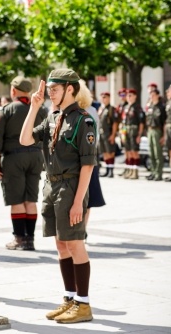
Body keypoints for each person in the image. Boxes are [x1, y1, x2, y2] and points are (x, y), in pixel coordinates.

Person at [20, 68, 96, 324]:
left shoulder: (83, 120)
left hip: (70, 187)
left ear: (70, 89)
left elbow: (88, 165)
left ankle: (83, 304)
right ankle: (70, 298)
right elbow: (25, 139)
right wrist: (34, 107)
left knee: (75, 244)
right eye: (49, 88)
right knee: (61, 245)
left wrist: (78, 202)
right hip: (51, 186)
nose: (50, 92)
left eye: (54, 88)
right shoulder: (52, 117)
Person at [0, 76, 47, 251]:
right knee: (31, 200)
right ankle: (30, 240)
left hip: (14, 157)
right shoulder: (40, 110)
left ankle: (19, 239)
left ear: (13, 90)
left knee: (16, 200)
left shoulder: (6, 109)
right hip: (35, 156)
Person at [76, 81, 106, 242]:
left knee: (85, 197)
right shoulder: (92, 110)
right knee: (86, 198)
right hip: (90, 158)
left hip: (82, 160)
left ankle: (82, 229)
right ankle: (82, 229)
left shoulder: (87, 111)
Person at [122, 89, 145, 180]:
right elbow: (124, 122)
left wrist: (139, 135)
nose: (129, 97)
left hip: (134, 131)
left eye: (130, 95)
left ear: (135, 96)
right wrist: (123, 134)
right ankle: (130, 170)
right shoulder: (126, 107)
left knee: (134, 151)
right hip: (126, 130)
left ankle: (135, 172)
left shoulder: (137, 108)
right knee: (128, 151)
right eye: (127, 95)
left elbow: (141, 123)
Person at [145, 88, 166, 181]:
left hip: (158, 131)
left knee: (158, 153)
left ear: (158, 95)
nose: (152, 97)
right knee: (151, 153)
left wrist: (164, 135)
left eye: (153, 95)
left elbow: (165, 122)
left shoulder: (161, 107)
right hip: (150, 130)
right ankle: (153, 172)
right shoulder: (150, 106)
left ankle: (158, 174)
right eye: (150, 95)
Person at [98, 92, 119, 178]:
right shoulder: (101, 108)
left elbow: (115, 123)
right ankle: (107, 170)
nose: (103, 99)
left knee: (110, 152)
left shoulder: (111, 109)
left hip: (108, 133)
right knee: (105, 152)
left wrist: (113, 135)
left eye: (105, 97)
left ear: (109, 98)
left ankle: (111, 171)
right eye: (102, 97)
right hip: (101, 133)